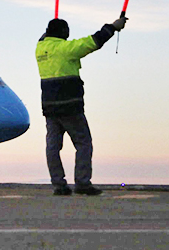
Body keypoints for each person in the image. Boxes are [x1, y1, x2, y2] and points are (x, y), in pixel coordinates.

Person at [35, 16, 127, 196]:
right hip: (70, 106)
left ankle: (59, 185)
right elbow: (93, 41)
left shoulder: (40, 49)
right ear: (62, 32)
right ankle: (83, 183)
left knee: (53, 147)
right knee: (84, 143)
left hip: (49, 108)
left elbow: (42, 37)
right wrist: (113, 27)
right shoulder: (66, 49)